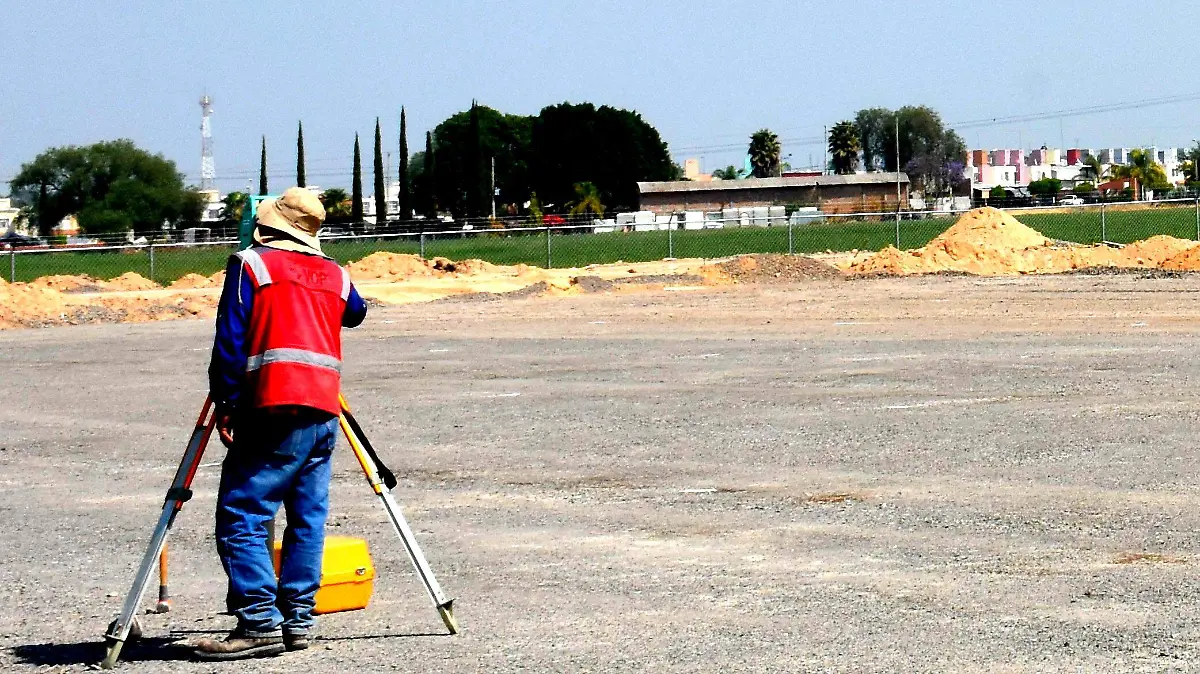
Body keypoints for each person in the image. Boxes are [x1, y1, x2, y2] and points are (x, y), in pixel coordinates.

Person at [194, 187, 368, 661]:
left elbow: (230, 339)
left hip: (271, 405)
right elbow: (356, 312)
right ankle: (297, 620)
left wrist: (228, 401)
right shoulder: (334, 272)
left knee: (244, 513)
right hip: (323, 409)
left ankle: (258, 621)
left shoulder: (251, 264)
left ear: (265, 226)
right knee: (307, 517)